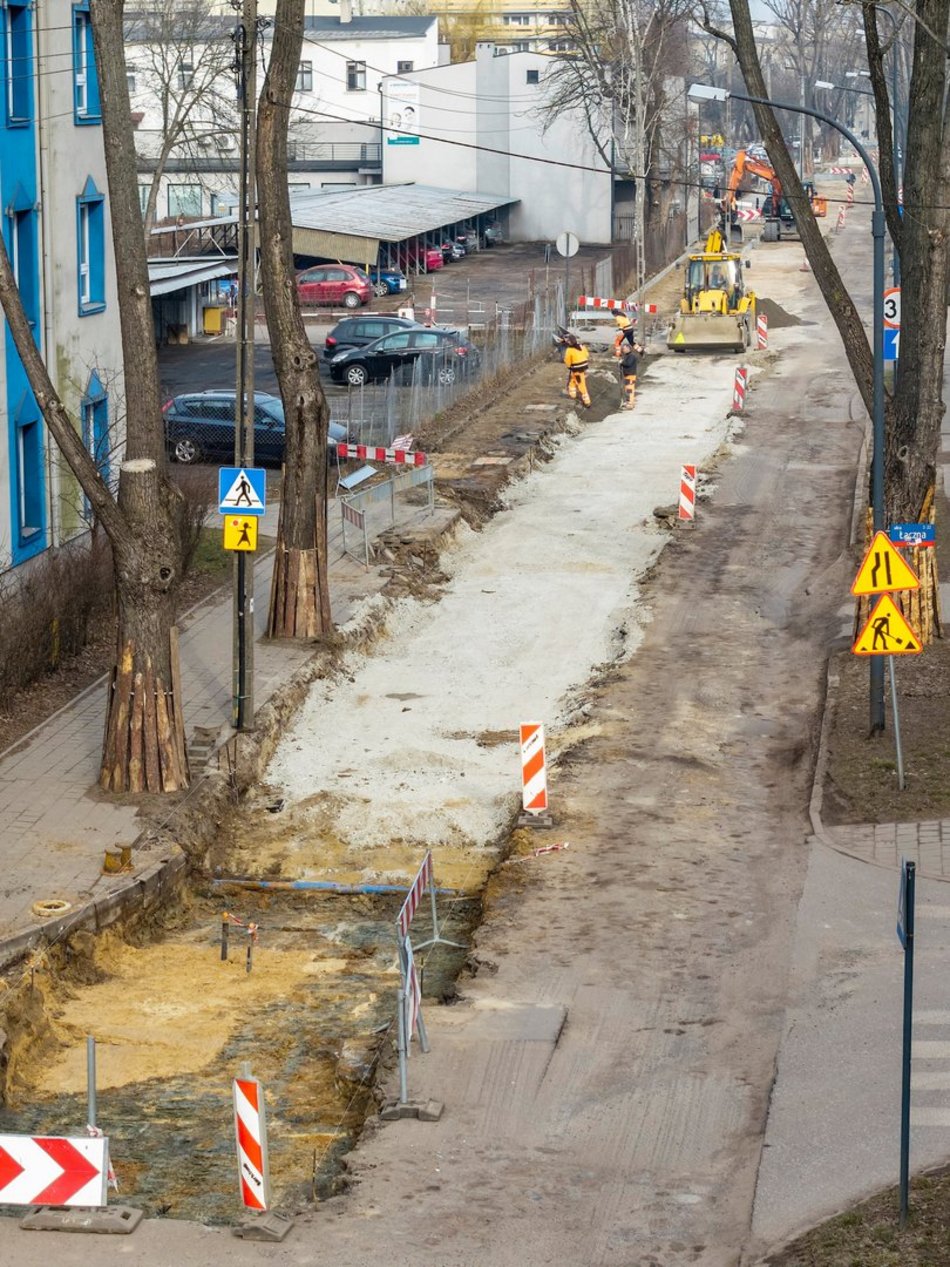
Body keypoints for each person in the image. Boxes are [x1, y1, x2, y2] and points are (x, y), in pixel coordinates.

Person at [562, 335, 591, 409]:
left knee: (581, 385)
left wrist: (569, 366)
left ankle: (587, 402)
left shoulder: (569, 350)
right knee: (572, 381)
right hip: (583, 368)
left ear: (570, 342)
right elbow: (587, 355)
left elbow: (567, 360)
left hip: (576, 370)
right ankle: (572, 395)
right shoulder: (581, 346)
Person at [618, 338, 644, 411]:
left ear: (629, 349)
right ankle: (629, 401)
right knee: (628, 389)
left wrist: (622, 362)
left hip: (630, 375)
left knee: (630, 389)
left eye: (625, 349)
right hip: (628, 374)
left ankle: (631, 403)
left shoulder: (631, 356)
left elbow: (628, 364)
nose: (624, 350)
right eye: (623, 349)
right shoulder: (627, 356)